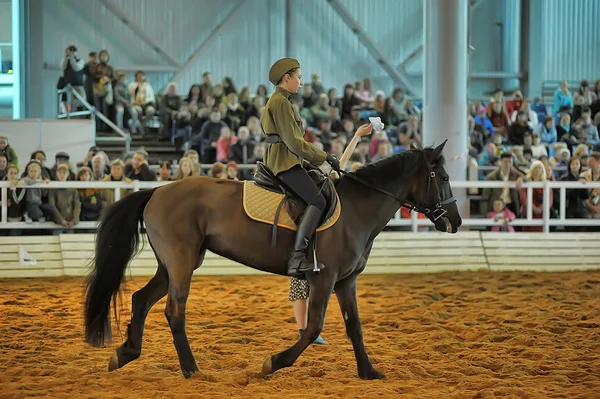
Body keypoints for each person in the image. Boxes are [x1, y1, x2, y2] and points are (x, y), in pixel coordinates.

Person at [260, 58, 340, 276]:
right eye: (300, 77)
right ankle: (297, 257)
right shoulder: (281, 103)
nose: (302, 83)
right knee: (318, 200)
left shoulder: (281, 101)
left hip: (288, 159)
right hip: (284, 162)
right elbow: (294, 142)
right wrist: (324, 156)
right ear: (287, 78)